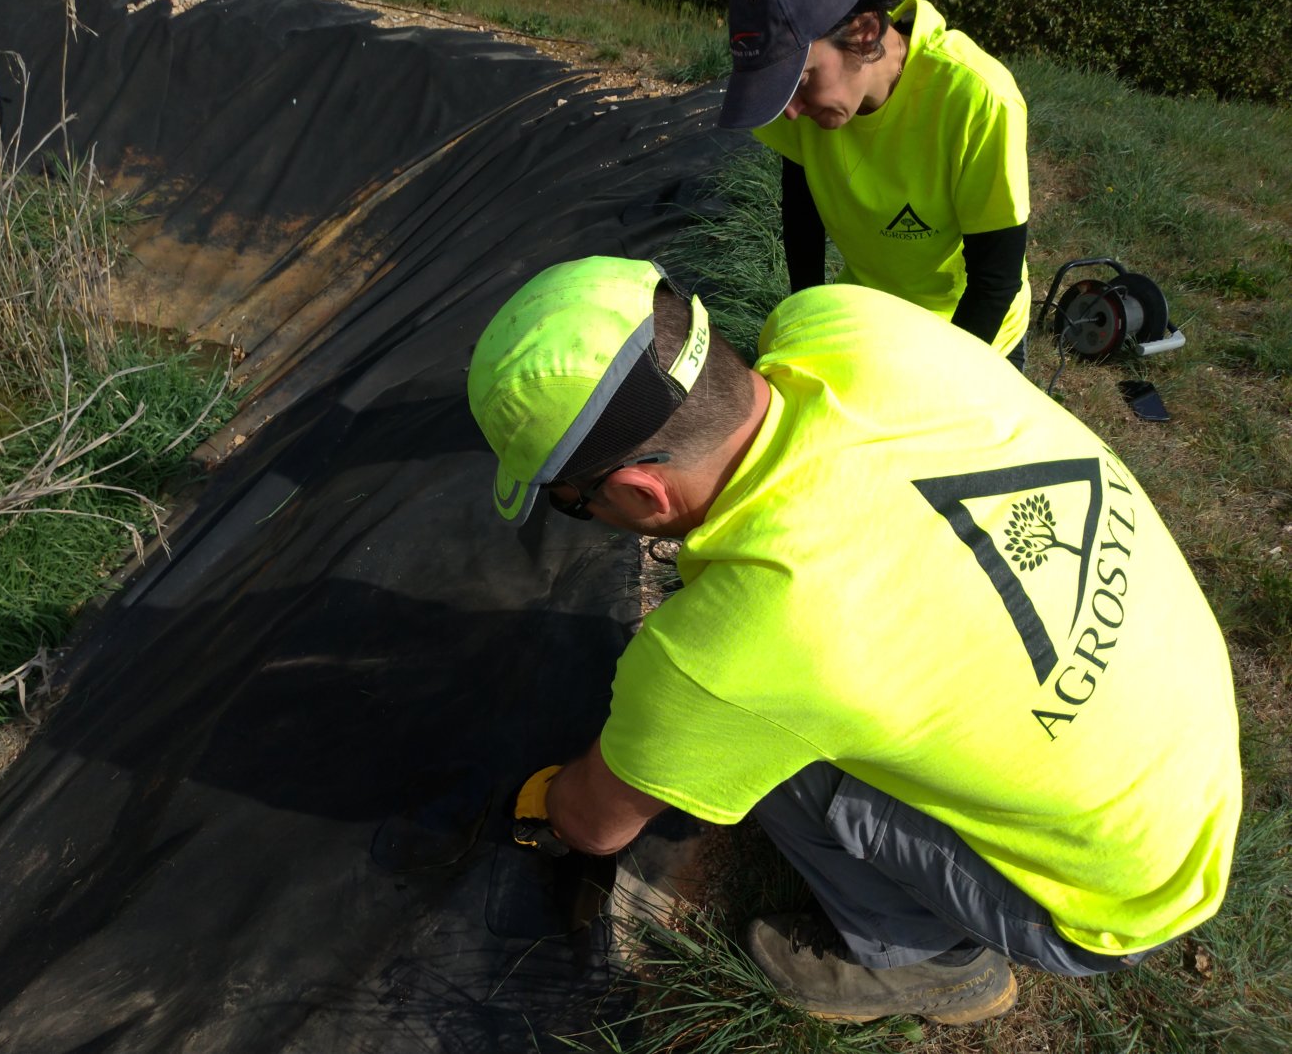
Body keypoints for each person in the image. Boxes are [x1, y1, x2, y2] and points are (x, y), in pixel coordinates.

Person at [466, 256, 1241, 1024]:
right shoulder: (852, 324)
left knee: (756, 751)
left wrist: (562, 791)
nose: (581, 516)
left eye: (573, 504)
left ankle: (931, 965)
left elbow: (593, 823)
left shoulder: (735, 646)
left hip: (1114, 899)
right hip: (1188, 747)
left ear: (640, 490)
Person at [721, 0, 1032, 367]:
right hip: (870, 318)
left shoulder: (976, 99)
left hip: (972, 331)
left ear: (866, 33)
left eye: (802, 80)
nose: (790, 110)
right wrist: (808, 319)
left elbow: (994, 281)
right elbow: (802, 213)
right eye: (778, 89)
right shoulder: (799, 108)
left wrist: (950, 379)